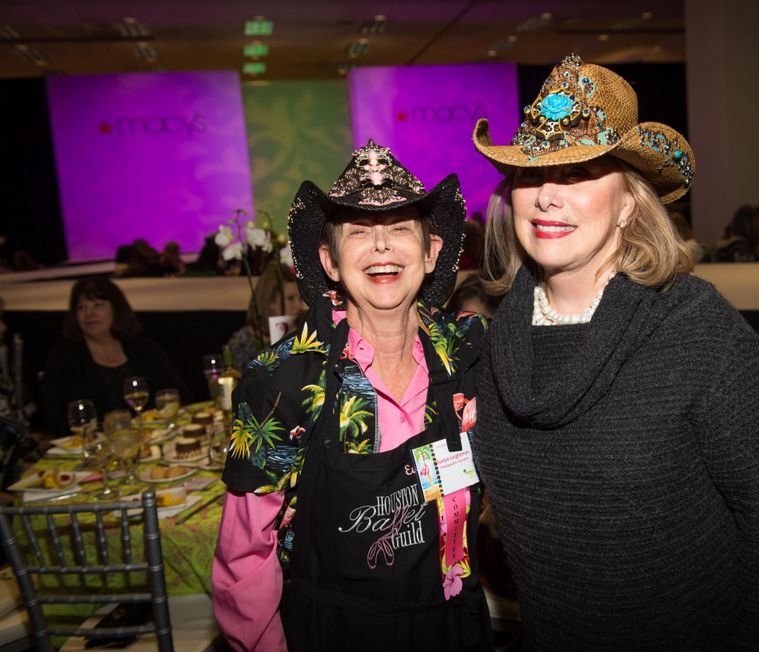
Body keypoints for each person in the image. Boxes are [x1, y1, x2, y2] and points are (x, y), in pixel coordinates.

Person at [471, 54, 759, 650]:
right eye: (531, 174)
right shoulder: (498, 339)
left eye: (580, 173)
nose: (547, 196)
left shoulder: (701, 334)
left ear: (628, 202)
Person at [213, 140, 492, 651]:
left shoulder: (471, 355)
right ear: (330, 262)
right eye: (359, 231)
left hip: (452, 623)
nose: (381, 247)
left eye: (400, 229)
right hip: (334, 632)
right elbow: (244, 555)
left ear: (431, 253)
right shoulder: (283, 381)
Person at [42, 276, 189, 436]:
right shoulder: (63, 359)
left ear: (116, 309)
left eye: (98, 305)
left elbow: (178, 396)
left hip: (155, 438)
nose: (89, 313)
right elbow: (58, 421)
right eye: (81, 307)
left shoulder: (144, 348)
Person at [224, 264, 306, 371]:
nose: (299, 306)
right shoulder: (243, 342)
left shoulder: (304, 333)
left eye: (299, 299)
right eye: (290, 298)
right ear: (270, 301)